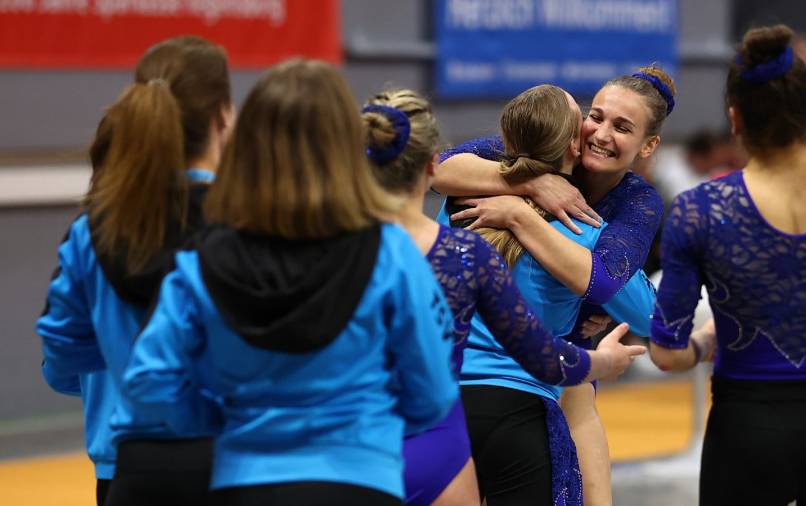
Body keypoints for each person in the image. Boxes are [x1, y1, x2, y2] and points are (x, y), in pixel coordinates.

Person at [122, 59, 459, 506]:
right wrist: (373, 429)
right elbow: (433, 392)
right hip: (361, 478)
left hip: (244, 480)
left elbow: (149, 379)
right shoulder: (390, 253)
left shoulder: (203, 259)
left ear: (247, 145)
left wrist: (214, 419)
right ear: (345, 145)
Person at [362, 87, 641, 506]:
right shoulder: (460, 251)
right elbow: (540, 353)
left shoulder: (336, 250)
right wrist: (602, 361)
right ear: (431, 165)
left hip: (371, 435)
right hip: (464, 429)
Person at [650, 25, 806, 506]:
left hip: (745, 429)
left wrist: (707, 340)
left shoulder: (701, 209)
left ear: (735, 118)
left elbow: (667, 355)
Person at [433, 68, 673, 505]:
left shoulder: (637, 200)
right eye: (595, 116)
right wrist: (530, 182)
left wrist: (518, 214)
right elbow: (441, 168)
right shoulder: (537, 159)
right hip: (538, 375)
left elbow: (610, 285)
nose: (601, 134)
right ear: (573, 137)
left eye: (622, 127)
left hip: (540, 371)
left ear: (648, 145)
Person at [36, 36, 232, 506]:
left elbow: (61, 357)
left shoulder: (90, 231)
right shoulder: (249, 220)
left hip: (133, 466)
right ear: (222, 117)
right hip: (237, 457)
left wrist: (122, 369)